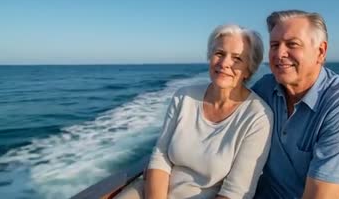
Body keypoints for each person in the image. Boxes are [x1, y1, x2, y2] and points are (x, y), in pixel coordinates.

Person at [116, 24, 273, 199]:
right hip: (153, 191)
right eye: (219, 54)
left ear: (248, 69)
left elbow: (236, 192)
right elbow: (160, 157)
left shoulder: (258, 116)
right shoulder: (184, 96)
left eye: (237, 58)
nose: (224, 63)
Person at [252, 10, 339, 199]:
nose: (279, 53)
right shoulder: (264, 89)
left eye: (292, 44)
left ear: (320, 51)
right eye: (274, 45)